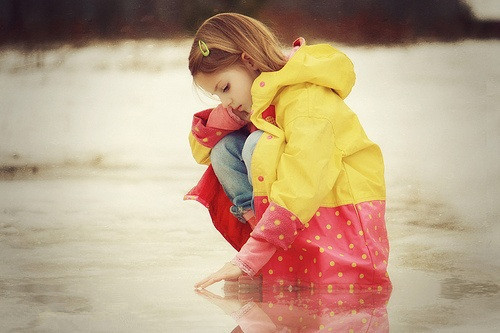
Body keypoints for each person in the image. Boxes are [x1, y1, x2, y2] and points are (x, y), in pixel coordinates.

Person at [185, 13, 391, 292]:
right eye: (217, 97)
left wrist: (250, 258)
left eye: (225, 88)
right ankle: (263, 233)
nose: (226, 102)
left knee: (257, 145)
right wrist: (225, 121)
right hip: (294, 223)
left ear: (249, 61)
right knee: (225, 149)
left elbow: (304, 180)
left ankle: (264, 242)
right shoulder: (259, 101)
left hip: (344, 232)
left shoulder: (306, 100)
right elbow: (203, 152)